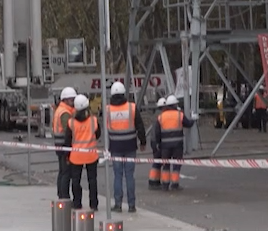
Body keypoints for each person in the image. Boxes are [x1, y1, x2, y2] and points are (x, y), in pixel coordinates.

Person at [105, 81, 146, 213]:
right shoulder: (131, 107)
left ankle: (118, 204)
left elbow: (105, 128)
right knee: (129, 176)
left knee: (117, 175)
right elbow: (140, 126)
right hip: (130, 146)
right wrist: (143, 142)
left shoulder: (107, 109)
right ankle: (131, 205)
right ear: (124, 93)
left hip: (115, 146)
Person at [152, 95, 193, 191]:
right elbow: (188, 124)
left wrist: (158, 143)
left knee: (166, 165)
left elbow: (157, 132)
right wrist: (193, 119)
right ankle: (174, 185)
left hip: (165, 146)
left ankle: (165, 185)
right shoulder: (179, 114)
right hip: (177, 145)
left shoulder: (161, 117)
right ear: (175, 104)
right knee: (176, 164)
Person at [68, 93, 102, 210]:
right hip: (91, 155)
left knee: (76, 181)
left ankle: (77, 203)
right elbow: (98, 135)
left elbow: (67, 140)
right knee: (92, 180)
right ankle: (94, 204)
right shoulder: (93, 120)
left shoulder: (71, 122)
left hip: (76, 156)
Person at [50, 86, 78, 202]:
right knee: (66, 172)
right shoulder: (65, 113)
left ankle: (61, 194)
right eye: (71, 100)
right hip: (64, 145)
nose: (73, 102)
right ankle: (64, 197)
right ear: (65, 100)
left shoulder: (61, 110)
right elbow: (69, 129)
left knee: (62, 171)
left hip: (59, 144)